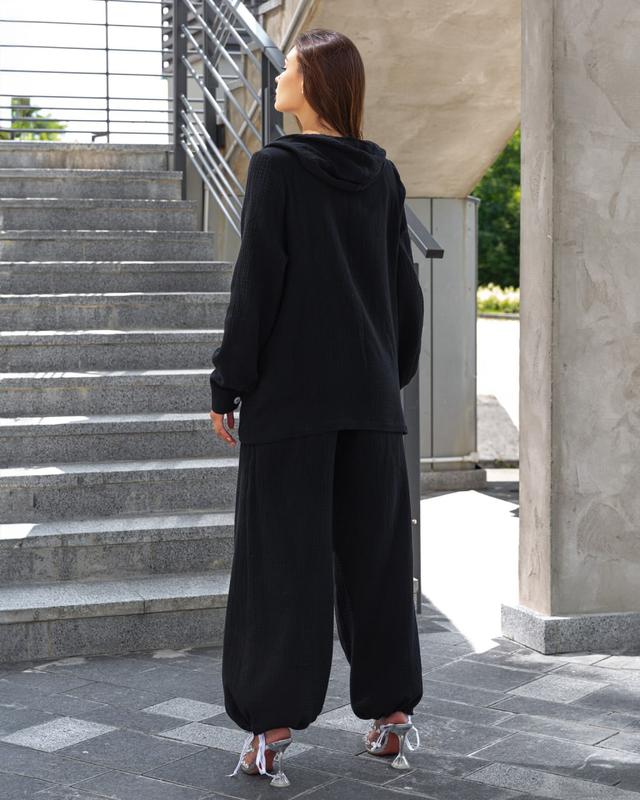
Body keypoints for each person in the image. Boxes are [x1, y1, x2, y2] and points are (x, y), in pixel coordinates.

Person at [208, 27, 424, 788]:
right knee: (376, 564)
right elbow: (405, 293)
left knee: (282, 567)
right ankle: (392, 717)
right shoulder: (382, 174)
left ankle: (269, 732)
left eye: (289, 69)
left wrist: (228, 381)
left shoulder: (276, 167)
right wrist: (384, 376)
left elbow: (258, 280)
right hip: (369, 402)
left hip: (292, 405)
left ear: (316, 84)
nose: (277, 79)